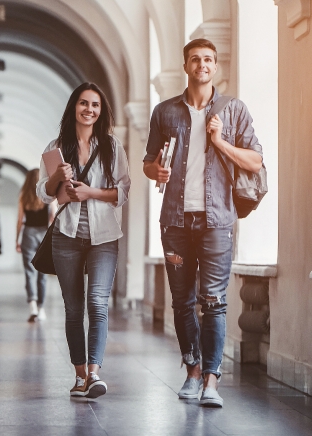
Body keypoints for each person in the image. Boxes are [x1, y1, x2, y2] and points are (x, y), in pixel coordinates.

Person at [143, 38, 263, 407]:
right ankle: (192, 372)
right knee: (182, 301)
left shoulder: (233, 110)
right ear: (186, 66)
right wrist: (155, 170)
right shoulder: (165, 112)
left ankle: (212, 380)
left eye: (208, 59)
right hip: (175, 222)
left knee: (213, 302)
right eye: (196, 59)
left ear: (215, 66)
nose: (203, 64)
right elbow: (148, 162)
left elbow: (255, 162)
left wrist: (220, 141)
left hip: (217, 221)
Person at [36, 82, 130, 399]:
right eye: (83, 103)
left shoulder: (113, 147)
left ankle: (94, 374)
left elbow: (123, 192)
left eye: (95, 105)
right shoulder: (56, 146)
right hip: (67, 235)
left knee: (97, 303)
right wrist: (56, 177)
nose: (89, 109)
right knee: (74, 308)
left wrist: (91, 192)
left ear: (101, 112)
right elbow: (43, 195)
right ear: (74, 107)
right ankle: (79, 376)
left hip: (104, 236)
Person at [16, 168, 55, 322]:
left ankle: (32, 303)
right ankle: (41, 308)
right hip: (44, 235)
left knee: (29, 271)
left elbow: (20, 220)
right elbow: (54, 216)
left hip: (28, 235)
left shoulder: (23, 196)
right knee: (42, 273)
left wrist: (16, 240)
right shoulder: (47, 196)